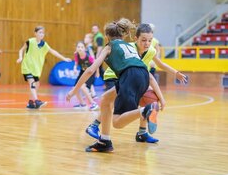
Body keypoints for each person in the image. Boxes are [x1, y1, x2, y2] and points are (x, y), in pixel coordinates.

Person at [66, 18, 163, 152]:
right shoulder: (130, 45)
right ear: (122, 34)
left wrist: (74, 90)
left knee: (117, 122)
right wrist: (161, 97)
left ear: (107, 36)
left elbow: (90, 70)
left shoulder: (109, 46)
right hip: (144, 75)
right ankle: (104, 141)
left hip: (129, 77)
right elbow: (144, 72)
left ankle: (145, 110)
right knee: (106, 99)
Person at [86, 23, 187, 144]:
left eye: (150, 41)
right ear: (136, 39)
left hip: (134, 78)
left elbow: (160, 65)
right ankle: (96, 125)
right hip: (115, 76)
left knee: (146, 99)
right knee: (110, 102)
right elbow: (149, 77)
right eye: (143, 40)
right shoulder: (129, 48)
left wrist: (176, 73)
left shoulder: (150, 51)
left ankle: (142, 133)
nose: (147, 44)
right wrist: (161, 98)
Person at [17, 26, 71, 109]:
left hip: (36, 69)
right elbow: (21, 50)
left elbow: (53, 51)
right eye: (40, 32)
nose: (42, 34)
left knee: (37, 85)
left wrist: (64, 58)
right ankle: (37, 101)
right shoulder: (30, 42)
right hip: (26, 67)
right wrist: (20, 57)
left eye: (43, 33)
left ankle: (30, 103)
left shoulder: (44, 44)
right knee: (32, 83)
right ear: (35, 33)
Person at [72, 41, 99, 110]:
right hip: (83, 72)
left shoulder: (88, 56)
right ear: (76, 48)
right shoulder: (76, 54)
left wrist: (97, 72)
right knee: (75, 88)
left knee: (83, 87)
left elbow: (96, 63)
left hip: (90, 72)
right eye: (78, 47)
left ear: (85, 49)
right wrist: (74, 68)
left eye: (82, 47)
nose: (80, 48)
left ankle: (93, 103)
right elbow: (76, 63)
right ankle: (82, 104)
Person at [84, 33, 97, 98]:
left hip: (91, 68)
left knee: (86, 83)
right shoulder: (88, 47)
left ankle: (88, 94)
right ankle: (93, 94)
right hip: (90, 67)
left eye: (86, 37)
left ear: (90, 39)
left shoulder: (89, 48)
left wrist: (96, 69)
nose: (85, 39)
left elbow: (93, 58)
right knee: (89, 83)